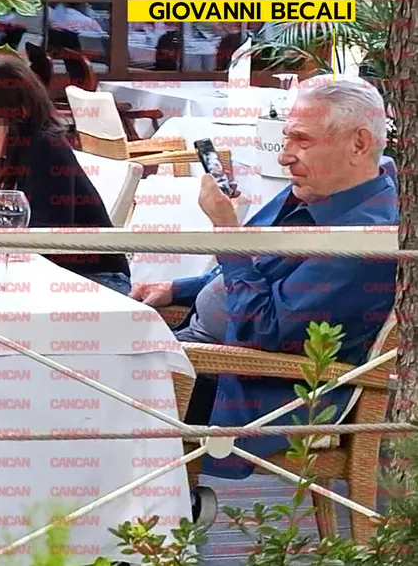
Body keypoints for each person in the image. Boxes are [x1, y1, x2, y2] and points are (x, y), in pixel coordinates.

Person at [131, 75, 398, 479]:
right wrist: (178, 288)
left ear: (359, 144)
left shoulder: (365, 238)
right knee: (78, 355)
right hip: (202, 351)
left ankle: (151, 510)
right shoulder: (321, 188)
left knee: (87, 390)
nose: (285, 157)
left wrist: (227, 232)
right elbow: (256, 267)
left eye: (302, 140)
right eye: (286, 137)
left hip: (247, 390)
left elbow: (263, 330)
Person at [0, 54, 131, 296]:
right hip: (32, 274)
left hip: (95, 280)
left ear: (16, 112)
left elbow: (45, 242)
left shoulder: (46, 148)